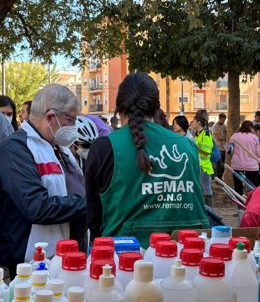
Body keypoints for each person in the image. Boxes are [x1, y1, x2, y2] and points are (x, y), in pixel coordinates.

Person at [85, 73, 209, 249]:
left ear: (119, 109)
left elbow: (93, 215)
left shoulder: (105, 147)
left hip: (124, 261)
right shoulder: (188, 145)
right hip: (186, 257)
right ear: (156, 107)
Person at [0, 84, 86, 279]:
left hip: (67, 258)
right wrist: (88, 203)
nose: (74, 127)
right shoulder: (16, 148)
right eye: (70, 119)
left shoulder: (60, 148)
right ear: (50, 117)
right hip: (33, 264)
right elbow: (36, 206)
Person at [228, 120, 260, 195]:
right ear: (251, 128)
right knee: (253, 186)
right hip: (252, 166)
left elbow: (229, 151)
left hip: (237, 165)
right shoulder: (254, 137)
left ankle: (240, 204)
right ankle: (252, 203)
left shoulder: (234, 136)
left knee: (238, 185)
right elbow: (258, 153)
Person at [191, 115, 214, 208]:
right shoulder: (197, 134)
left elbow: (207, 150)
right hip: (198, 165)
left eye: (193, 121)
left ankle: (210, 210)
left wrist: (195, 147)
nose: (191, 123)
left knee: (206, 189)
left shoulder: (206, 134)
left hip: (204, 166)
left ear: (199, 122)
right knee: (201, 189)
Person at [212, 113, 227, 179]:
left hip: (224, 147)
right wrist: (226, 138)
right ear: (219, 118)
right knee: (219, 164)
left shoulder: (224, 126)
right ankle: (218, 177)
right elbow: (218, 138)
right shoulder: (215, 127)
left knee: (223, 164)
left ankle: (220, 177)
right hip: (218, 147)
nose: (223, 121)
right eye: (223, 120)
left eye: (225, 120)